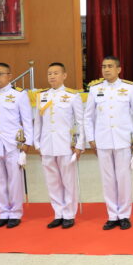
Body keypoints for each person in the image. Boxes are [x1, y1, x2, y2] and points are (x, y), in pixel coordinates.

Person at [84, 55, 133, 231]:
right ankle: (112, 215)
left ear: (118, 69)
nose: (106, 69)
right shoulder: (95, 89)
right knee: (108, 179)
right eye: (104, 66)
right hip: (102, 140)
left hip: (123, 139)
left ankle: (124, 215)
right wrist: (91, 138)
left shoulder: (129, 88)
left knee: (123, 178)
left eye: (110, 66)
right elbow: (88, 117)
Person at [0, 63, 33, 229]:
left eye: (0, 74)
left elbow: (27, 121)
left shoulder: (19, 95)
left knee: (14, 180)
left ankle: (15, 213)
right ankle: (3, 213)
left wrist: (27, 143)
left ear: (9, 76)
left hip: (13, 144)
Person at [33, 62, 84, 229]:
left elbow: (80, 122)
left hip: (65, 144)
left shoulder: (72, 96)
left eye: (56, 73)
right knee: (52, 181)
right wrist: (37, 143)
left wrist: (79, 144)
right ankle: (58, 213)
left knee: (68, 181)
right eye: (49, 73)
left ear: (64, 75)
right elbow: (38, 122)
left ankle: (69, 214)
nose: (52, 76)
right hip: (47, 144)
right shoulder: (42, 96)